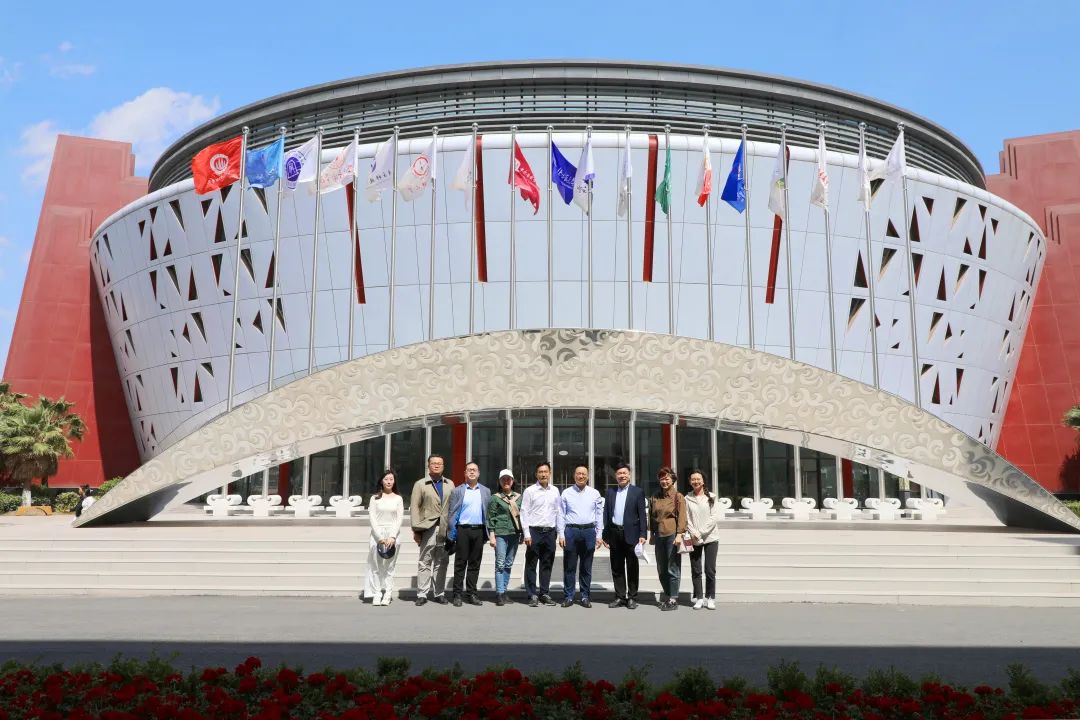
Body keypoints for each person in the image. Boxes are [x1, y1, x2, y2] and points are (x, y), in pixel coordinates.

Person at [557, 464, 603, 608]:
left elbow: (599, 515)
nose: (581, 476)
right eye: (578, 473)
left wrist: (599, 534)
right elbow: (561, 514)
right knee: (569, 566)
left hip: (589, 532)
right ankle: (568, 596)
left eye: (583, 474)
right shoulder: (566, 493)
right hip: (571, 531)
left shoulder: (595, 493)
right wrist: (561, 534)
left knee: (586, 567)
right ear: (574, 476)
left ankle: (585, 596)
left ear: (588, 476)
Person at [602, 463, 647, 609]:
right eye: (619, 473)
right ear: (616, 476)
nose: (622, 476)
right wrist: (605, 535)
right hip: (614, 534)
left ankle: (632, 597)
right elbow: (606, 514)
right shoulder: (610, 492)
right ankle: (620, 597)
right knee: (617, 567)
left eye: (624, 473)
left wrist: (643, 534)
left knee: (632, 567)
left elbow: (642, 515)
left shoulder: (637, 492)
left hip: (632, 534)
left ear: (629, 475)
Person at [410, 454, 453, 606]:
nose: (436, 465)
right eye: (433, 463)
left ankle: (439, 593)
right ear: (428, 466)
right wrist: (416, 530)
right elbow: (414, 508)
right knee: (425, 561)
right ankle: (422, 594)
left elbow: (453, 507)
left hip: (445, 528)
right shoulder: (420, 484)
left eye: (439, 463)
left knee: (442, 562)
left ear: (443, 466)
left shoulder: (450, 484)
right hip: (427, 528)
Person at [446, 461, 491, 607]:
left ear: (478, 473)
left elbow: (488, 513)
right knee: (460, 563)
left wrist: (489, 533)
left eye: (474, 470)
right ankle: (457, 594)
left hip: (479, 530)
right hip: (462, 530)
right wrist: (451, 534)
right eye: (469, 470)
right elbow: (452, 513)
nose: (472, 472)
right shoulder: (457, 491)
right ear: (465, 473)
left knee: (475, 563)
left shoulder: (485, 491)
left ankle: (472, 593)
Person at [520, 461, 560, 607]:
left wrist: (559, 532)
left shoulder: (555, 491)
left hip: (550, 532)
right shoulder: (530, 491)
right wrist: (526, 533)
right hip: (534, 532)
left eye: (545, 472)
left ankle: (544, 593)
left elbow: (558, 512)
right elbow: (524, 512)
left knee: (547, 563)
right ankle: (532, 594)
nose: (543, 474)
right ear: (536, 474)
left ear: (550, 473)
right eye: (540, 472)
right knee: (531, 564)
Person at [650, 466, 687, 611]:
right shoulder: (655, 496)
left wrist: (679, 534)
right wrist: (652, 534)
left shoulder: (678, 497)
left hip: (672, 534)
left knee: (672, 567)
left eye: (667, 478)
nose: (664, 481)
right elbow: (651, 516)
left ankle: (673, 598)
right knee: (661, 568)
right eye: (662, 479)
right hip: (659, 535)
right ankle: (667, 594)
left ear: (673, 480)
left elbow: (682, 517)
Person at [364, 469, 404, 606]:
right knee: (376, 566)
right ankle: (377, 593)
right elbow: (372, 518)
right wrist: (380, 537)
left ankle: (387, 593)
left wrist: (392, 536)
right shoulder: (374, 498)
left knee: (390, 566)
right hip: (377, 535)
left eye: (391, 479)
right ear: (381, 481)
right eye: (386, 479)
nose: (389, 481)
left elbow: (399, 519)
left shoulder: (398, 498)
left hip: (393, 534)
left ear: (394, 481)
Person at [684, 468, 720, 610]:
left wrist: (700, 532)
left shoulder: (712, 497)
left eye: (698, 479)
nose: (696, 481)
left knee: (710, 570)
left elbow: (714, 518)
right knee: (696, 570)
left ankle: (710, 598)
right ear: (690, 482)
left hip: (711, 537)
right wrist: (694, 532)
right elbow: (686, 518)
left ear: (703, 481)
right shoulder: (687, 498)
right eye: (693, 479)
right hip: (694, 538)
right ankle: (699, 598)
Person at [486, 469, 523, 606]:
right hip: (500, 534)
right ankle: (500, 593)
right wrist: (492, 535)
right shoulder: (495, 498)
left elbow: (522, 517)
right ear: (500, 482)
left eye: (508, 479)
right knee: (500, 563)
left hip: (514, 533)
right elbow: (491, 517)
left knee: (508, 564)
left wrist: (522, 533)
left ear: (512, 481)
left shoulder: (519, 497)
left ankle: (504, 591)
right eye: (503, 479)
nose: (506, 481)